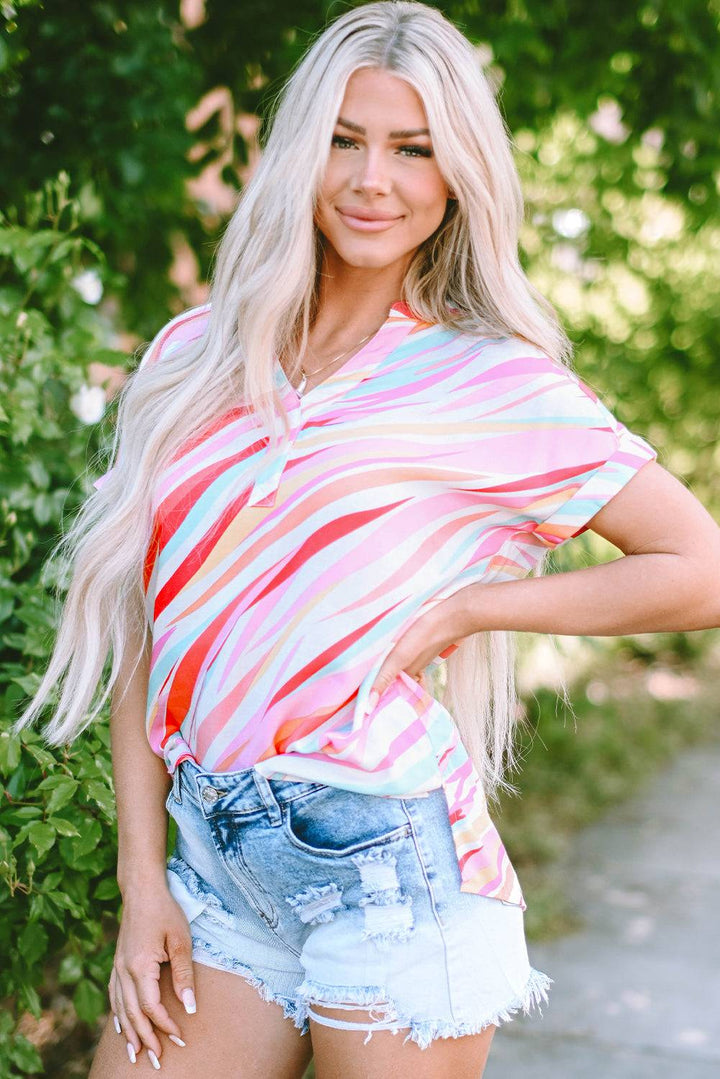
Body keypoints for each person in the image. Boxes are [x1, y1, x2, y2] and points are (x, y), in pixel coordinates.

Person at [15, 2, 720, 1076]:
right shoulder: (193, 357)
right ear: (300, 152)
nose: (370, 180)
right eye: (343, 140)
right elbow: (149, 626)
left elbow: (698, 569)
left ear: (456, 178)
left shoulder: (487, 380)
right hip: (216, 876)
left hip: (391, 879)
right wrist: (143, 881)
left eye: (412, 149)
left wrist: (471, 606)